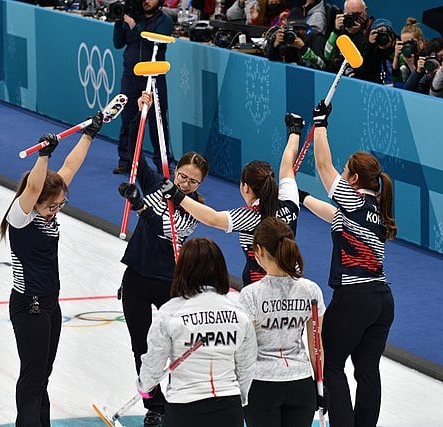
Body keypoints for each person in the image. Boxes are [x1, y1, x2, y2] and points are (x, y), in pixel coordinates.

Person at [0, 113, 103, 426]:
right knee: (32, 376)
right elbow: (32, 187)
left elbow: (69, 168)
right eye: (51, 206)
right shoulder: (22, 217)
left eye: (60, 205)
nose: (55, 210)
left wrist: (89, 134)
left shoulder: (47, 207)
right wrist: (44, 156)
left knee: (43, 374)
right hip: (27, 305)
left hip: (49, 305)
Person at [299, 100, 396, 427]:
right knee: (367, 370)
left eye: (345, 173)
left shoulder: (352, 199)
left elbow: (324, 167)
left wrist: (320, 124)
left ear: (353, 178)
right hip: (382, 302)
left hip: (354, 298)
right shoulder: (377, 208)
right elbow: (335, 217)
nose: (339, 176)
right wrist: (301, 198)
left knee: (332, 365)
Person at [118, 93, 210, 426]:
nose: (185, 184)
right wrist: (138, 115)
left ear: (200, 184)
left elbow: (161, 227)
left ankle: (180, 403)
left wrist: (140, 205)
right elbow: (134, 156)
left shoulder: (192, 209)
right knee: (139, 346)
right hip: (136, 279)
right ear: (176, 171)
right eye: (182, 177)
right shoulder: (158, 184)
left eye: (192, 181)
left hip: (169, 283)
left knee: (174, 346)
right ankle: (154, 406)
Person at [161, 113, 302, 287]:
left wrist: (177, 195)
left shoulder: (250, 217)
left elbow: (212, 218)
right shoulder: (290, 201)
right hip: (294, 282)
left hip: (260, 291)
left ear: (246, 187)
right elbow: (288, 166)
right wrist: (295, 130)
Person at [137, 237, 257, 427]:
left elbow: (154, 360)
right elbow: (246, 366)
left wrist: (145, 387)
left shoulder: (170, 312)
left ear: (183, 269)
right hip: (229, 407)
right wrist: (239, 398)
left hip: (185, 408)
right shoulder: (239, 313)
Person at [238, 216, 326, 427]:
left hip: (261, 385)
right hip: (301, 384)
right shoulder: (311, 289)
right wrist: (322, 386)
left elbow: (244, 349)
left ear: (258, 251)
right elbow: (317, 346)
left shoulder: (251, 294)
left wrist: (238, 388)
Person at [112, 0, 176, 175]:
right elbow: (118, 43)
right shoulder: (133, 17)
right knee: (128, 120)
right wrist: (119, 22)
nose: (147, 1)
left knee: (158, 121)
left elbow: (153, 41)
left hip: (154, 77)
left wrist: (134, 27)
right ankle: (126, 160)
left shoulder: (165, 21)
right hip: (131, 76)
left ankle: (163, 163)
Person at [323, 0, 370, 76]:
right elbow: (327, 56)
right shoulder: (337, 29)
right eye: (350, 14)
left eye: (358, 14)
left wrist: (357, 34)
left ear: (366, 11)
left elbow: (368, 64)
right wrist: (336, 31)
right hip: (335, 76)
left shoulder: (371, 30)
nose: (355, 18)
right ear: (344, 12)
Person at [359, 18, 398, 85]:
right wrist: (370, 44)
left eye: (385, 34)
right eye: (378, 34)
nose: (382, 37)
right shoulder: (371, 52)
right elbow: (362, 72)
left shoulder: (398, 51)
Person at [392, 17, 426, 88]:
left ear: (419, 41)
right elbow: (396, 78)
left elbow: (420, 85)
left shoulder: (426, 55)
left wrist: (411, 64)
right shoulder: (404, 55)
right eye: (404, 43)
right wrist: (396, 57)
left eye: (409, 42)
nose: (407, 46)